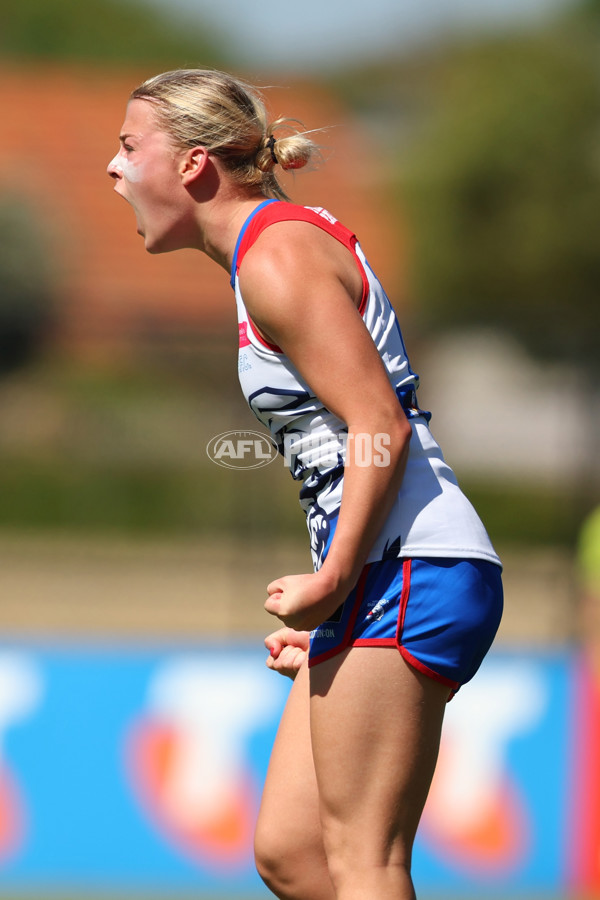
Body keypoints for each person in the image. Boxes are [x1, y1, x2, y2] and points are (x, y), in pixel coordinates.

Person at [107, 68, 503, 900]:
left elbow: (378, 427)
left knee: (364, 859)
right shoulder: (264, 253)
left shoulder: (276, 254)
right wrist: (339, 594)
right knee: (293, 853)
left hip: (411, 569)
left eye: (129, 145)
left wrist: (334, 579)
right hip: (385, 574)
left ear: (192, 165)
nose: (113, 168)